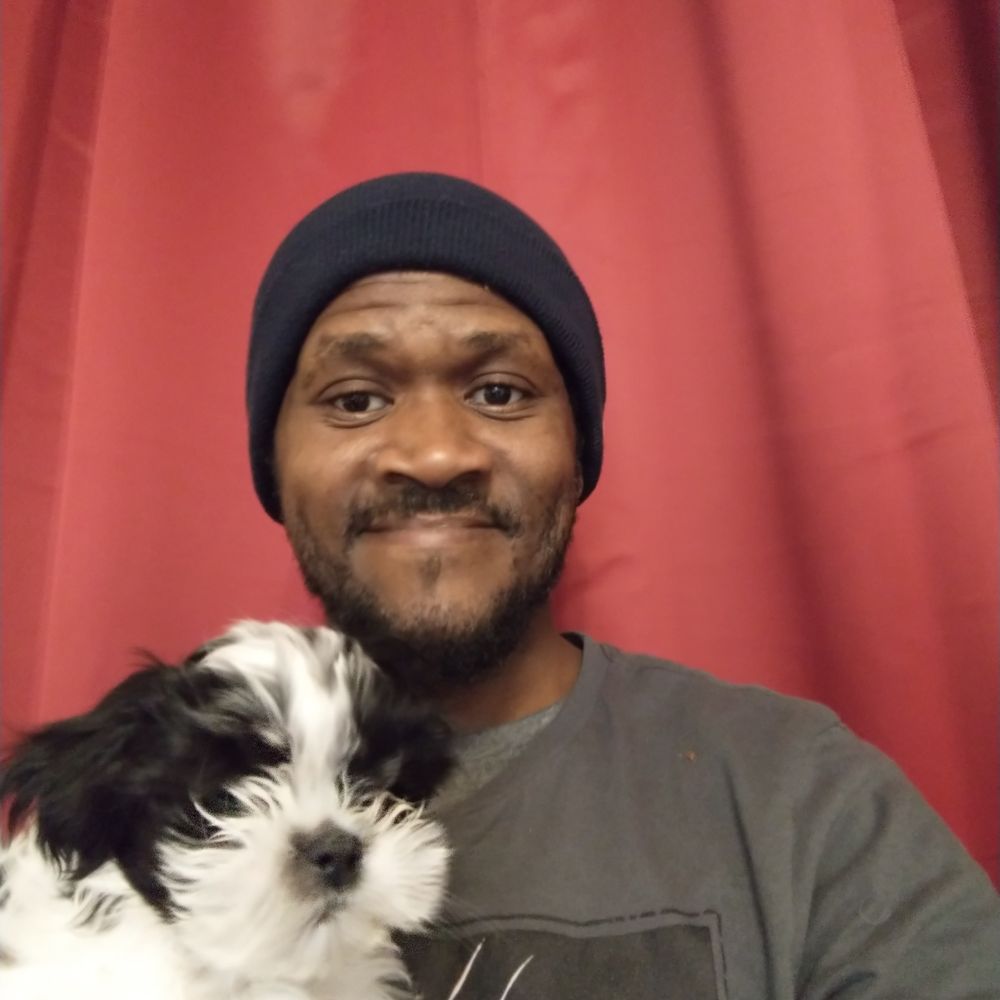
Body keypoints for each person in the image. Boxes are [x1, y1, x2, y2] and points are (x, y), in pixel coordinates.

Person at [246, 173, 1000, 999]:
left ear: (578, 457)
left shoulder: (802, 800)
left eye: (499, 393)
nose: (433, 454)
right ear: (275, 468)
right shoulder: (155, 807)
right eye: (356, 400)